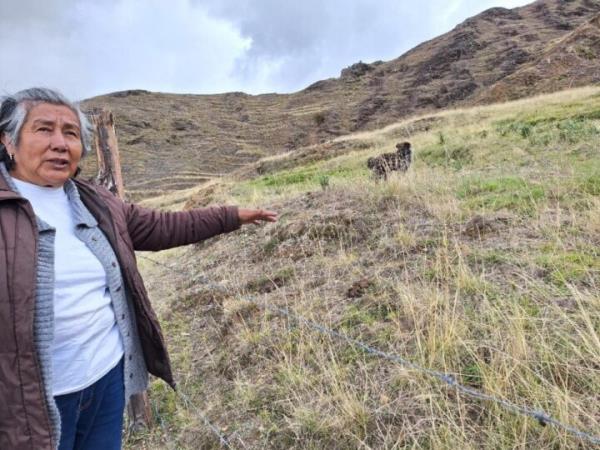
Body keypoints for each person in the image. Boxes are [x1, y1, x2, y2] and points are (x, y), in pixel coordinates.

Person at [0, 87, 277, 450]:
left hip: (107, 377)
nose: (60, 143)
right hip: (29, 404)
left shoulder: (94, 201)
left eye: (70, 133)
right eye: (43, 129)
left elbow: (162, 226)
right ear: (8, 142)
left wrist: (230, 216)